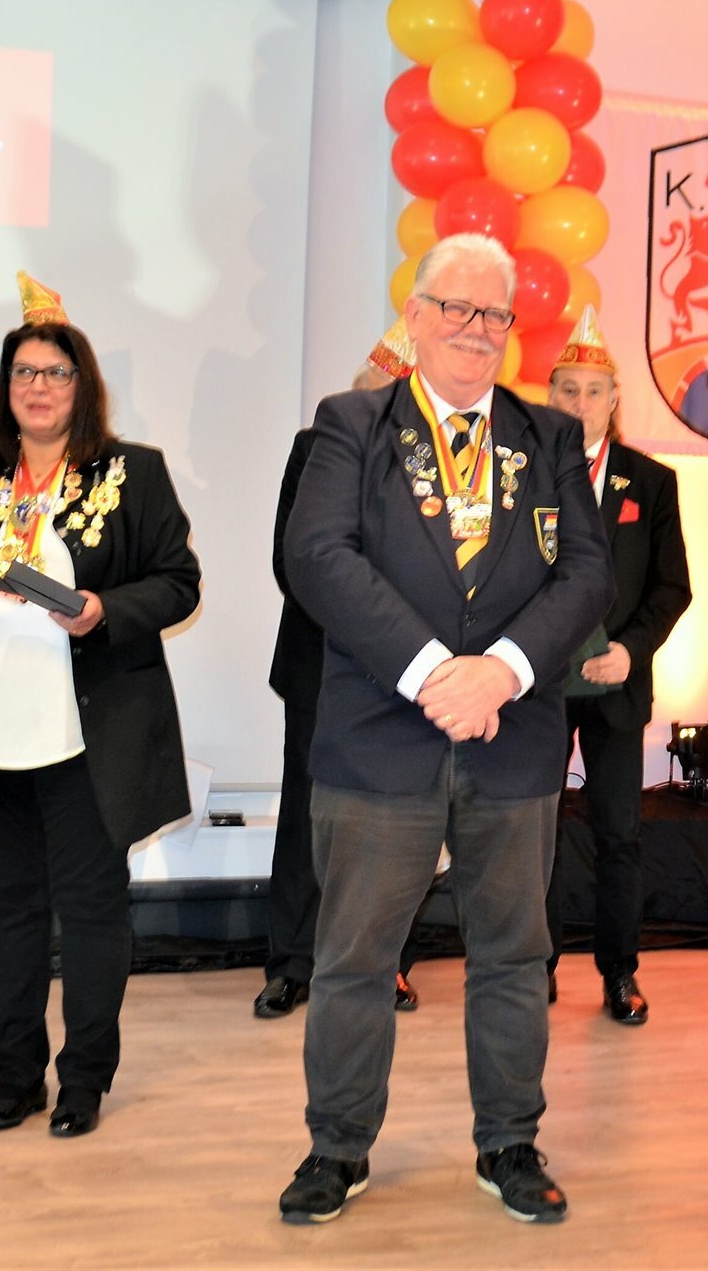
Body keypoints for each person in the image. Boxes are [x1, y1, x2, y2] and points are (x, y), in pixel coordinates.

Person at [277, 233, 612, 1225]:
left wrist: (500, 672)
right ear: (416, 317)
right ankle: (337, 1146)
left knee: (512, 956)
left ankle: (509, 1141)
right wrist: (433, 674)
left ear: (511, 330)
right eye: (456, 309)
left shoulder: (549, 437)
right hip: (382, 737)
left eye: (493, 314)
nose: (475, 329)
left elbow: (586, 573)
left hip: (511, 738)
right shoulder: (352, 423)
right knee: (354, 959)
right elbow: (316, 555)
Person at [0, 273, 200, 1137]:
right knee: (11, 912)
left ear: (82, 385)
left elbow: (179, 583)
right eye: (24, 371)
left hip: (85, 734)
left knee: (93, 911)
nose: (38, 386)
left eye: (56, 373)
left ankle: (84, 1082)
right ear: (6, 384)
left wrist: (103, 610)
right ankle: (15, 1077)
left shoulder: (134, 472)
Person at [258, 319, 446, 1021]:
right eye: (375, 396)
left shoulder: (443, 457)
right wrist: (366, 625)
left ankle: (390, 962)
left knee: (402, 820)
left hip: (409, 669)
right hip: (321, 660)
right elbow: (292, 560)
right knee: (305, 818)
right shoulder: (315, 448)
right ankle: (292, 963)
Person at [541, 307, 692, 1024]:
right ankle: (533, 966)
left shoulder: (652, 482)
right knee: (533, 831)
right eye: (567, 390)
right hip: (536, 686)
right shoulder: (524, 477)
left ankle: (620, 973)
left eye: (592, 391)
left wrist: (630, 651)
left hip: (615, 686)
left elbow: (672, 586)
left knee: (618, 834)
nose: (580, 403)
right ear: (550, 396)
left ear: (614, 399)